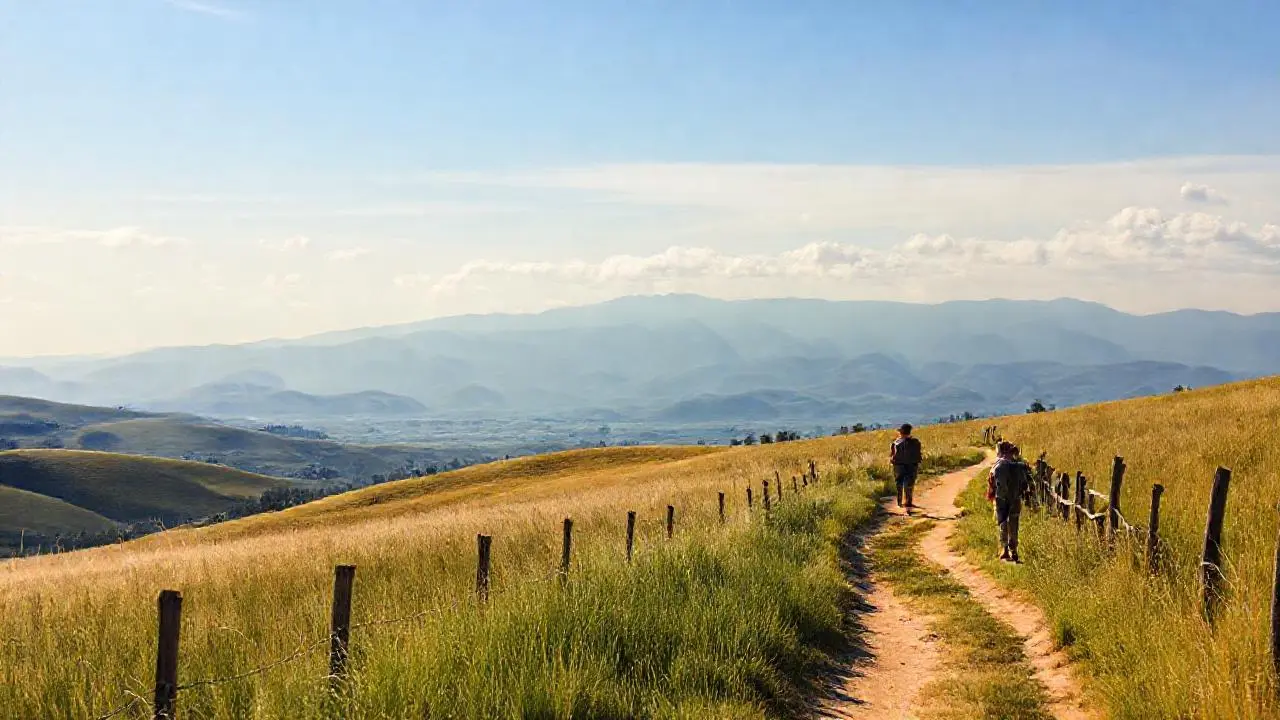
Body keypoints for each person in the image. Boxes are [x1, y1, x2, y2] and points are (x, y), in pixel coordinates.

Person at [990, 441, 1031, 562]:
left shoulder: (998, 466)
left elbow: (994, 484)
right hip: (1015, 498)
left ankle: (1005, 549)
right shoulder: (1018, 465)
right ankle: (1014, 550)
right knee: (1014, 523)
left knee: (1003, 522)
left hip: (1001, 498)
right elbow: (1024, 483)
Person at [889, 423, 922, 512]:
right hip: (912, 465)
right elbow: (918, 455)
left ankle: (899, 503)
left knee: (898, 483)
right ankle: (908, 502)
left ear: (901, 432)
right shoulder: (916, 442)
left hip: (898, 466)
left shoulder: (896, 442)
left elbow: (892, 455)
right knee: (909, 484)